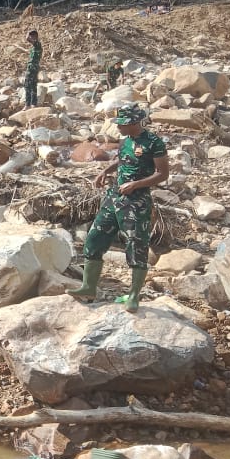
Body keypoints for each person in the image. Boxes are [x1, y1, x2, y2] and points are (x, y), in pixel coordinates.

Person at [67, 104, 169, 312]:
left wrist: (135, 185)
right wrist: (105, 171)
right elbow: (122, 161)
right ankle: (88, 287)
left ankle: (133, 296)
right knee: (94, 238)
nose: (118, 127)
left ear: (134, 123)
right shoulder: (126, 141)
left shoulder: (154, 143)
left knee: (136, 245)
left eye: (122, 124)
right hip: (114, 197)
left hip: (136, 202)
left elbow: (162, 174)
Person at [24, 30, 43, 108]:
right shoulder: (34, 47)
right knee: (29, 85)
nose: (30, 38)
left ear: (35, 37)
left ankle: (30, 104)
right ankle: (30, 104)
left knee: (30, 85)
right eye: (30, 36)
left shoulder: (38, 44)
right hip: (31, 67)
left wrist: (28, 34)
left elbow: (27, 39)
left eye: (32, 36)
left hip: (33, 68)